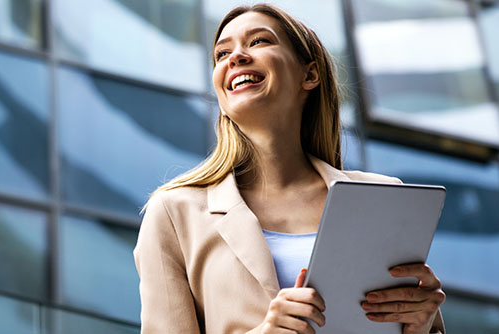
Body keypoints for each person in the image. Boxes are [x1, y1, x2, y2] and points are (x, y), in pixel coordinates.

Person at [133, 3, 447, 334]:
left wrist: (420, 325)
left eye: (258, 42)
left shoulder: (383, 197)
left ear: (309, 75)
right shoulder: (174, 213)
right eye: (221, 54)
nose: (234, 57)